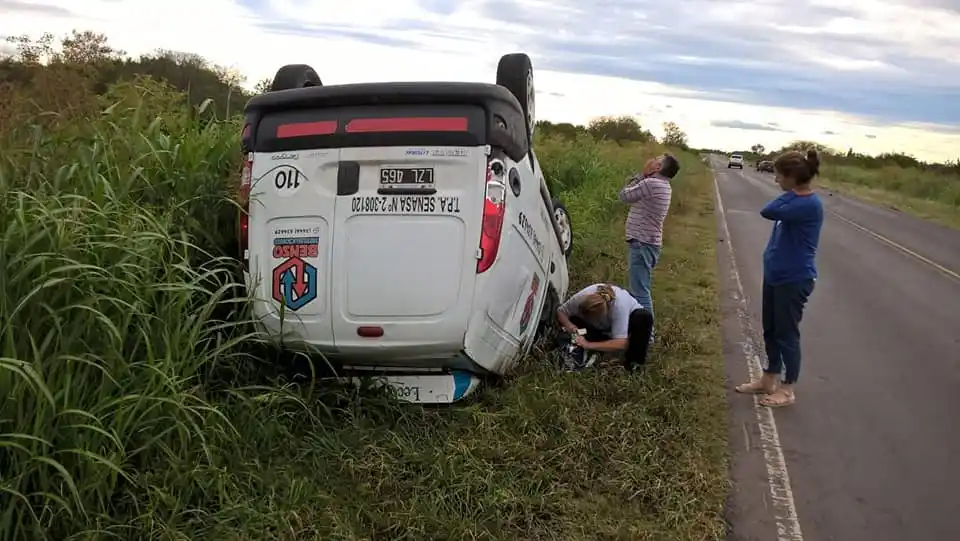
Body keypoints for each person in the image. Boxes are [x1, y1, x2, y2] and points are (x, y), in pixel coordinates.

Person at [735, 149, 824, 408]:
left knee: (787, 334)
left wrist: (791, 193)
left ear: (792, 177)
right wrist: (792, 191)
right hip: (777, 275)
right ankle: (769, 377)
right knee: (771, 330)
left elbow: (768, 210)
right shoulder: (795, 200)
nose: (776, 181)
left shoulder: (805, 204)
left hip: (793, 278)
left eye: (779, 176)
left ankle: (787, 388)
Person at [618, 153, 680, 342]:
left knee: (640, 291)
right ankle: (638, 328)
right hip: (648, 242)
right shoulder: (663, 185)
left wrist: (641, 174)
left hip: (642, 242)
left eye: (657, 160)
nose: (652, 160)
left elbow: (624, 195)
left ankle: (646, 335)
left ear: (659, 168)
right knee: (639, 288)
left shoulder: (651, 184)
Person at [555, 283, 654, 372]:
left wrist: (588, 344)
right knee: (572, 321)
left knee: (643, 318)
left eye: (596, 319)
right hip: (597, 331)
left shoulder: (619, 306)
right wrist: (573, 329)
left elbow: (621, 343)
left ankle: (633, 364)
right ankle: (591, 346)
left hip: (626, 328)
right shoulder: (581, 298)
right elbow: (561, 312)